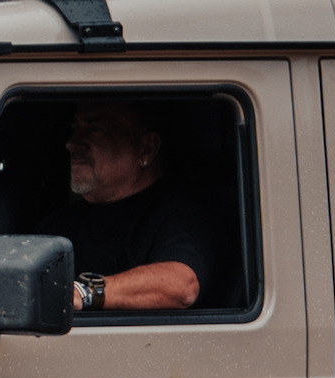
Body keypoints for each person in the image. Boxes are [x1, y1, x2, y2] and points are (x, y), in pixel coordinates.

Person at [59, 101, 219, 313]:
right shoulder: (60, 222)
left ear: (147, 148)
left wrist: (84, 293)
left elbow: (181, 286)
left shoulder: (182, 215)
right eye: (76, 129)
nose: (72, 143)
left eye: (95, 129)